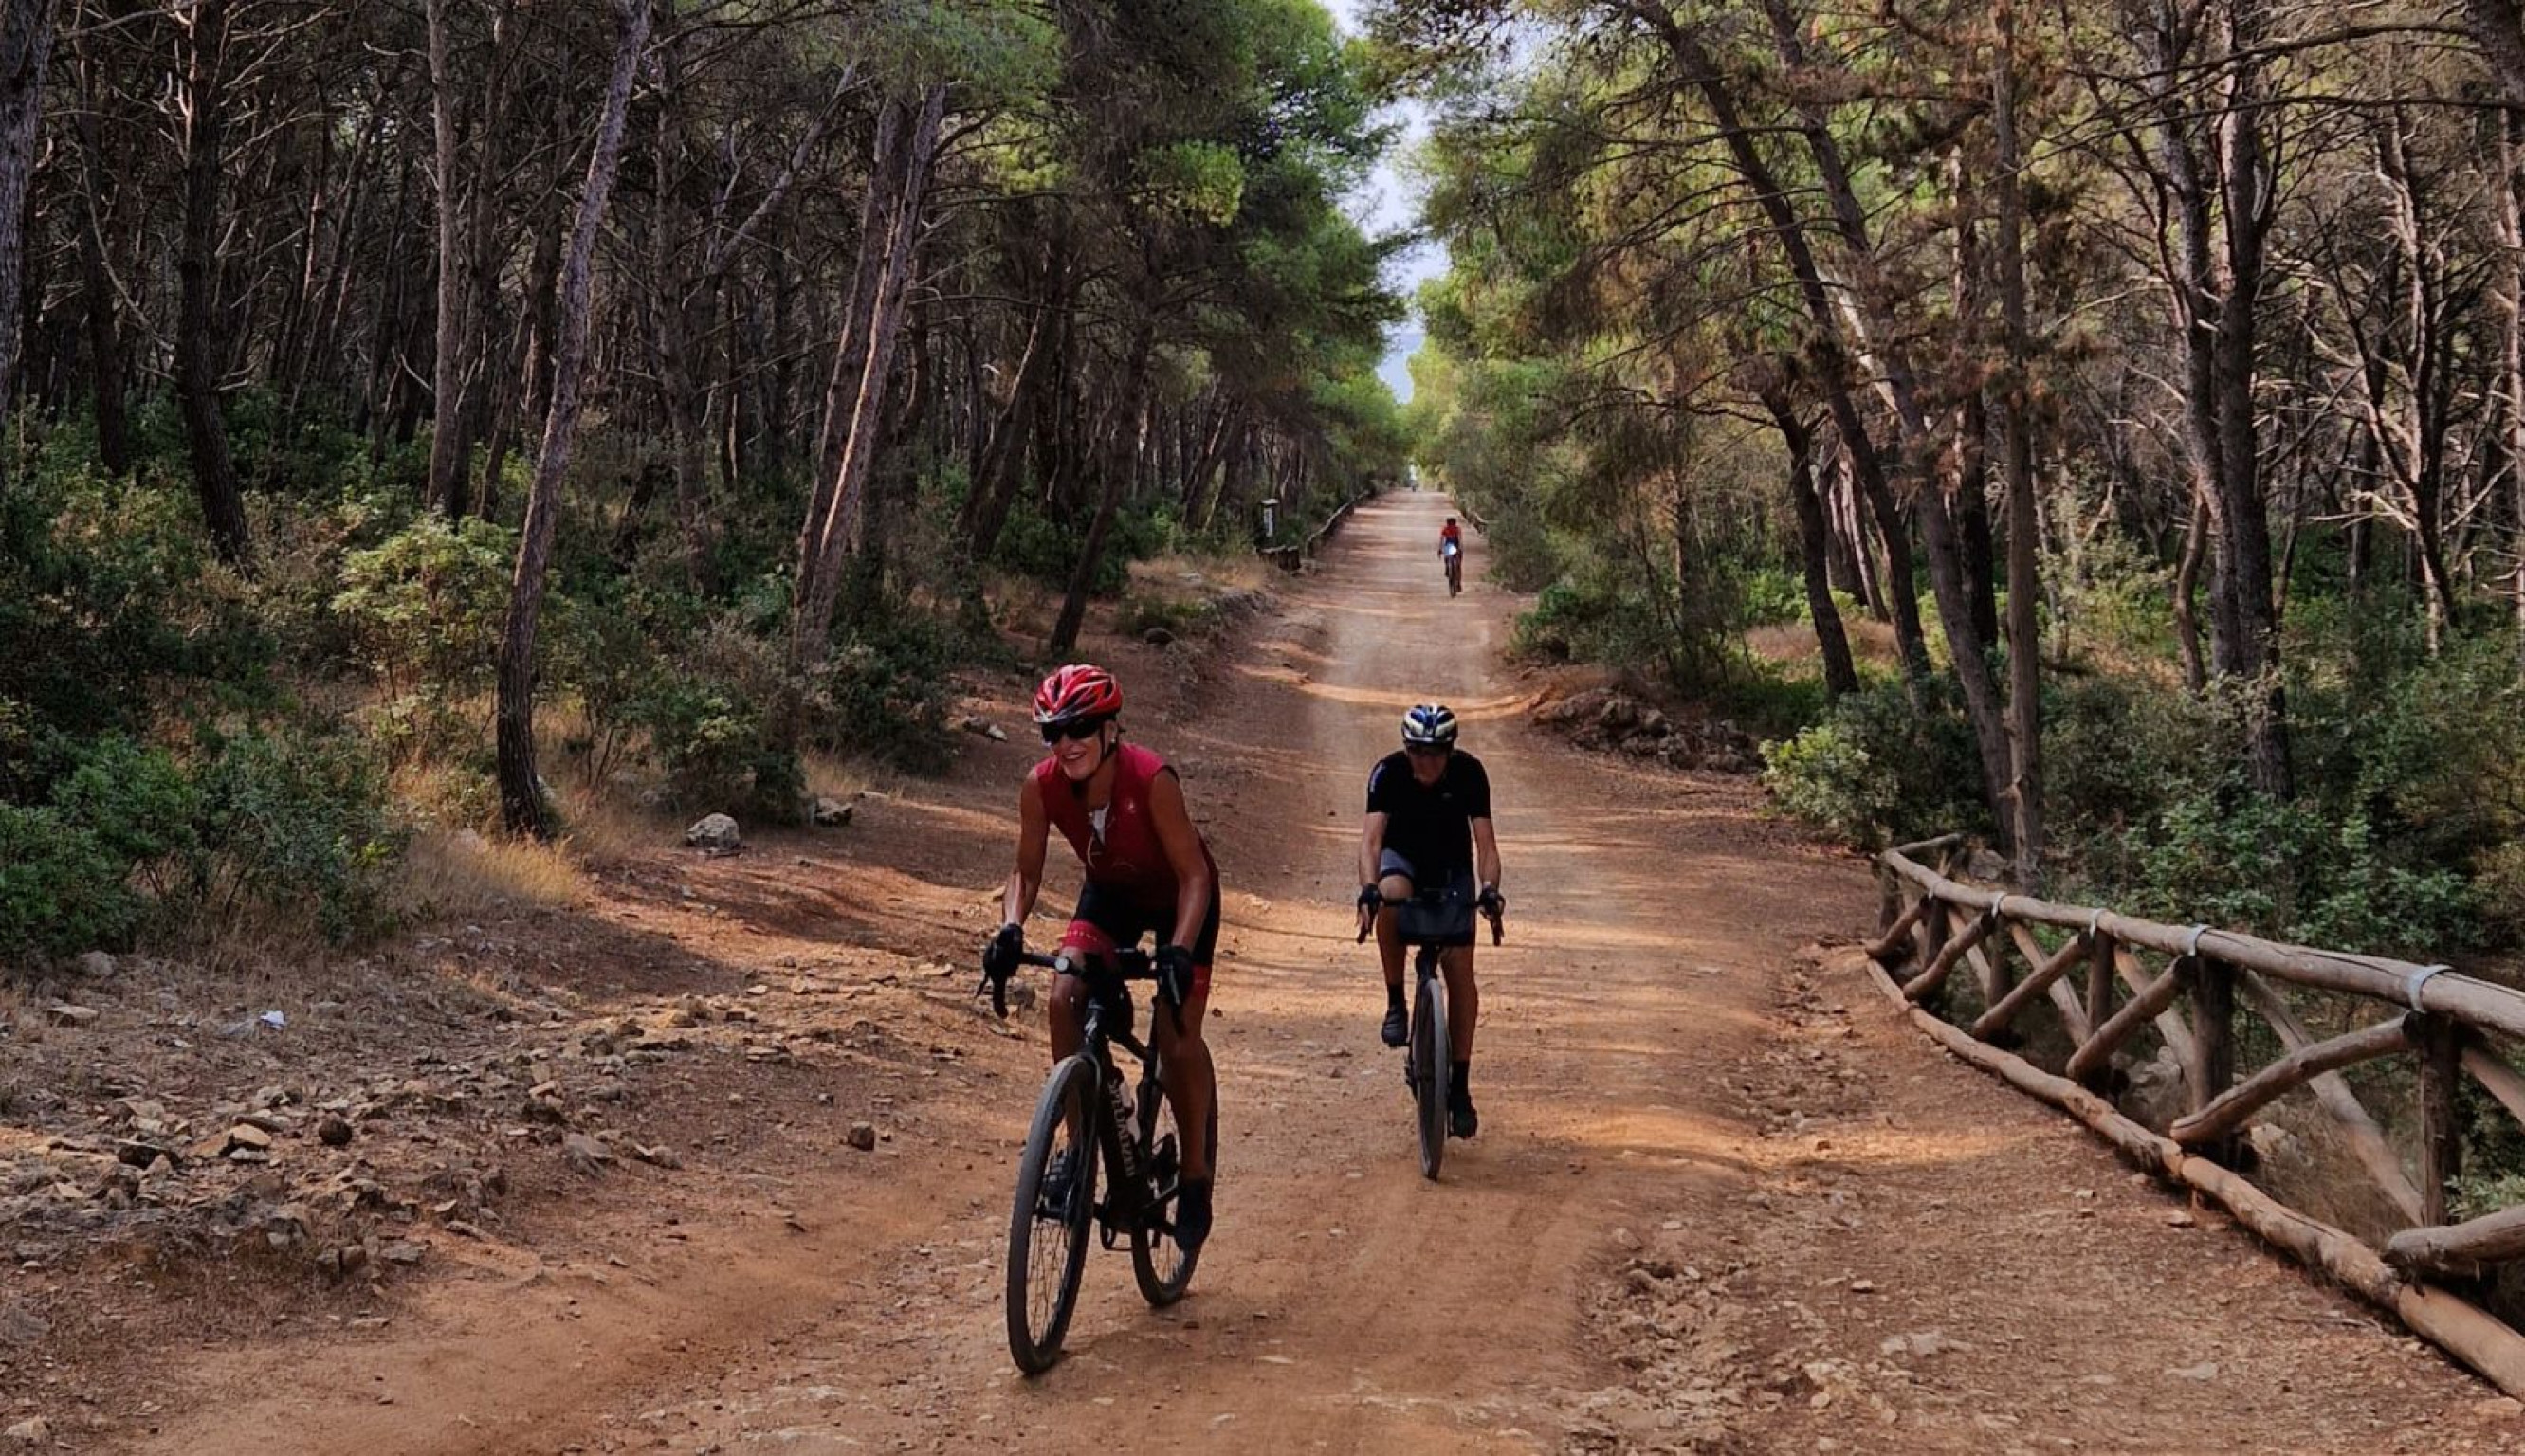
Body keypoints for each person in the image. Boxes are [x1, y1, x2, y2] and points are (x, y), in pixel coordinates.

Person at [982, 664, 1220, 1247]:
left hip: (1180, 901)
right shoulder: (1040, 786)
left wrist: (1180, 953)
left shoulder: (1151, 778)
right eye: (1053, 732)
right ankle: (1080, 1142)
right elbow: (1025, 871)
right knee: (1064, 995)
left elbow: (1194, 877)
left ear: (1110, 727)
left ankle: (1193, 1178)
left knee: (1175, 1032)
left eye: (1079, 727)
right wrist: (1011, 928)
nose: (1066, 743)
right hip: (1110, 894)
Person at [1354, 703, 1504, 1138]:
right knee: (1391, 895)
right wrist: (1367, 888)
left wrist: (1490, 889)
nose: (1427, 761)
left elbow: (1487, 845)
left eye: (1437, 752)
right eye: (1419, 751)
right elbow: (1371, 841)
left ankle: (1460, 1086)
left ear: (1450, 751)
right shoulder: (1388, 773)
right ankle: (1396, 1001)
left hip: (1450, 868)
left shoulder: (1470, 774)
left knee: (1460, 971)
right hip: (1403, 862)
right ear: (1407, 748)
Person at [1439, 517, 1464, 593]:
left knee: (1447, 559)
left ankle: (1447, 569)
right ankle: (1458, 583)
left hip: (1449, 547)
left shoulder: (1445, 529)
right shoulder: (1457, 529)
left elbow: (1442, 540)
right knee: (1458, 566)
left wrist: (1440, 549)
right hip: (1456, 547)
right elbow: (1460, 540)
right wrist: (1460, 548)